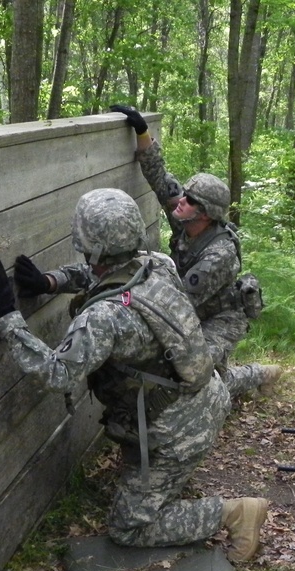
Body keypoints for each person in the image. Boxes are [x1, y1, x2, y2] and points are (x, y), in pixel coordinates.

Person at [0, 188, 269, 562]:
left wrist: (9, 319)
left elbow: (55, 373)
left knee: (129, 528)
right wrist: (52, 282)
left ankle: (235, 513)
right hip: (204, 400)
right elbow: (108, 275)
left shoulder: (103, 318)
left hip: (175, 432)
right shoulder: (160, 264)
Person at [108, 103, 281, 400]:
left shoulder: (219, 255)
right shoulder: (187, 221)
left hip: (220, 320)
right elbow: (161, 178)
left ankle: (256, 375)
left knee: (199, 379)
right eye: (185, 196)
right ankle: (245, 375)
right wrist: (141, 129)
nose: (180, 202)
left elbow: (178, 304)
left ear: (205, 214)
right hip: (194, 311)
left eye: (189, 200)